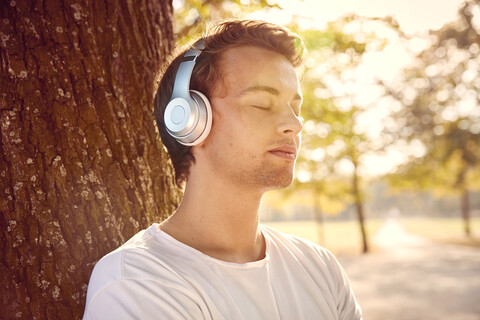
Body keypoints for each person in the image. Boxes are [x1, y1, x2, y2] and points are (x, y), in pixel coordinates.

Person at [83, 19, 362, 320]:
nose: (294, 125)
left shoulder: (319, 267)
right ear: (190, 121)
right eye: (261, 104)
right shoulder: (137, 284)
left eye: (295, 108)